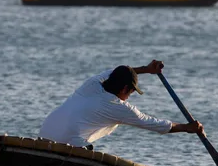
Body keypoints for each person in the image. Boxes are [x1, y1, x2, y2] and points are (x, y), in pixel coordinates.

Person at [38, 60, 204, 148]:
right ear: (125, 88)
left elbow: (116, 71)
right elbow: (153, 124)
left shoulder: (92, 83)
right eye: (131, 93)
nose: (128, 98)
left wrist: (146, 69)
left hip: (43, 135)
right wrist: (186, 128)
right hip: (66, 144)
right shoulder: (117, 107)